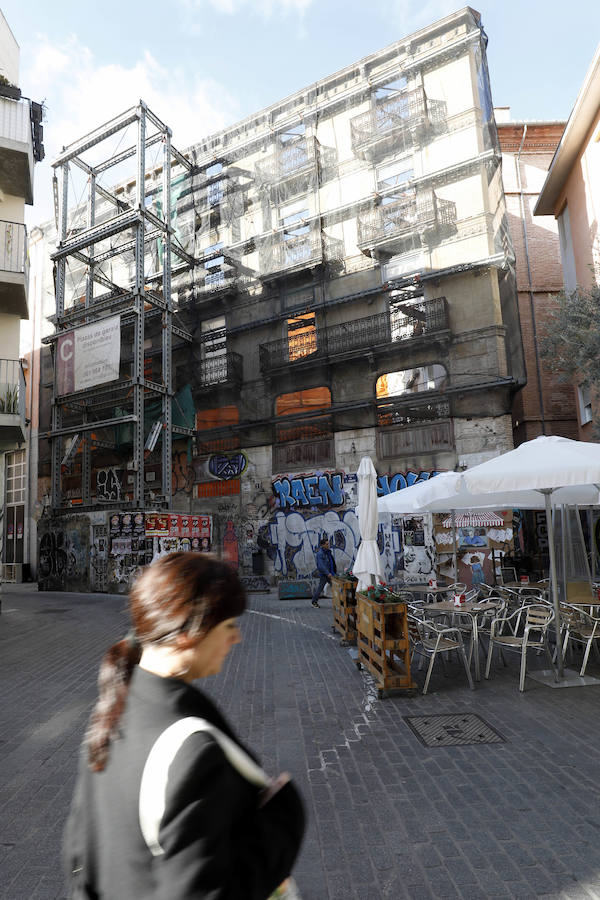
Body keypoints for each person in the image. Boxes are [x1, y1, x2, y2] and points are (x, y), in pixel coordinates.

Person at [63, 552, 305, 899]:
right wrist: (284, 820)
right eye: (228, 626)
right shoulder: (191, 754)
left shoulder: (115, 708)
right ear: (189, 633)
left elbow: (77, 852)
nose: (236, 639)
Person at [311, 536, 336, 608]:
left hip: (330, 573)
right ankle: (314, 602)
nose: (328, 545)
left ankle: (338, 601)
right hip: (325, 574)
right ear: (322, 545)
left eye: (328, 544)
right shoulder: (320, 554)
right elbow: (321, 566)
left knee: (335, 587)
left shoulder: (327, 552)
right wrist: (327, 573)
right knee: (320, 588)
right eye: (327, 544)